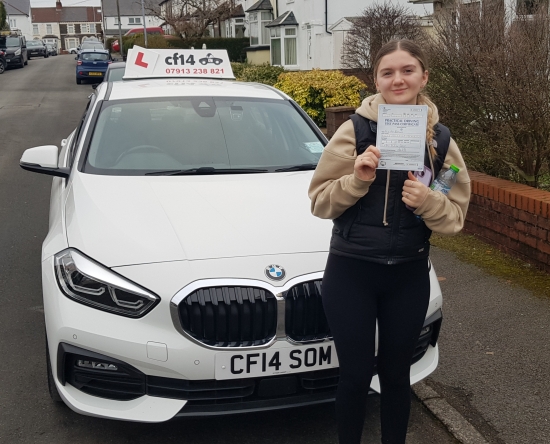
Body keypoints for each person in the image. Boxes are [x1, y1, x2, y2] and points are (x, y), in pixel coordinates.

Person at [308, 39, 471, 444]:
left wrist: (429, 200)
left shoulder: (443, 143)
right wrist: (357, 180)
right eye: (387, 72)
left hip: (408, 275)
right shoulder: (354, 130)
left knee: (398, 377)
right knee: (355, 375)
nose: (398, 79)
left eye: (408, 70)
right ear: (376, 80)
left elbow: (454, 219)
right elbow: (320, 202)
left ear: (423, 76)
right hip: (352, 271)